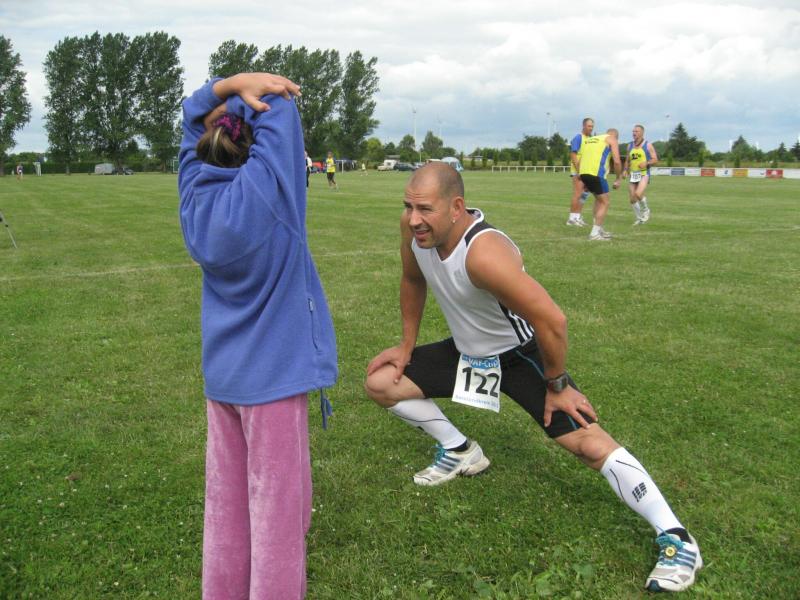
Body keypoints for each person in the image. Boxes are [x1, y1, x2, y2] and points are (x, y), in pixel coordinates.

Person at [364, 163, 702, 593]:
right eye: (408, 206)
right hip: (468, 353)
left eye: (425, 209)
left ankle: (677, 538)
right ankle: (461, 451)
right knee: (382, 382)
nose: (414, 219)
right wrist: (406, 345)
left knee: (587, 443)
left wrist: (557, 386)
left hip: (520, 356)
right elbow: (413, 279)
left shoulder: (484, 254)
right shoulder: (416, 232)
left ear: (456, 207)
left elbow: (552, 320)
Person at [178, 72, 338, 600]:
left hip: (223, 381)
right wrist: (249, 93)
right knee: (276, 524)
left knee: (225, 511)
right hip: (273, 382)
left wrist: (230, 87)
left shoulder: (194, 197)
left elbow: (190, 122)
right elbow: (282, 110)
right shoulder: (270, 193)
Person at [578, 128, 622, 241]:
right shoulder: (612, 139)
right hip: (596, 173)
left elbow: (581, 157)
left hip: (584, 172)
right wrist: (618, 178)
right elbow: (617, 161)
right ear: (616, 137)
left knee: (599, 200)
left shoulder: (591, 139)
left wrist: (581, 175)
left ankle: (599, 229)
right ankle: (594, 234)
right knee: (605, 202)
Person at [623, 124, 658, 225]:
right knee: (632, 199)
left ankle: (646, 210)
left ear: (642, 133)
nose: (634, 133)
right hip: (633, 174)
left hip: (644, 173)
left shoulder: (648, 145)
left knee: (638, 194)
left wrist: (646, 163)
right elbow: (627, 160)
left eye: (636, 131)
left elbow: (655, 159)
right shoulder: (629, 146)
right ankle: (639, 218)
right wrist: (625, 170)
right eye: (633, 131)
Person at [566, 118, 593, 227]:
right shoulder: (578, 138)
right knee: (577, 194)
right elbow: (573, 155)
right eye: (589, 126)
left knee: (584, 195)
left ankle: (577, 217)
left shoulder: (590, 139)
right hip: (578, 172)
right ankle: (571, 219)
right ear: (583, 126)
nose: (591, 128)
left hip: (586, 171)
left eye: (592, 126)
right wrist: (578, 170)